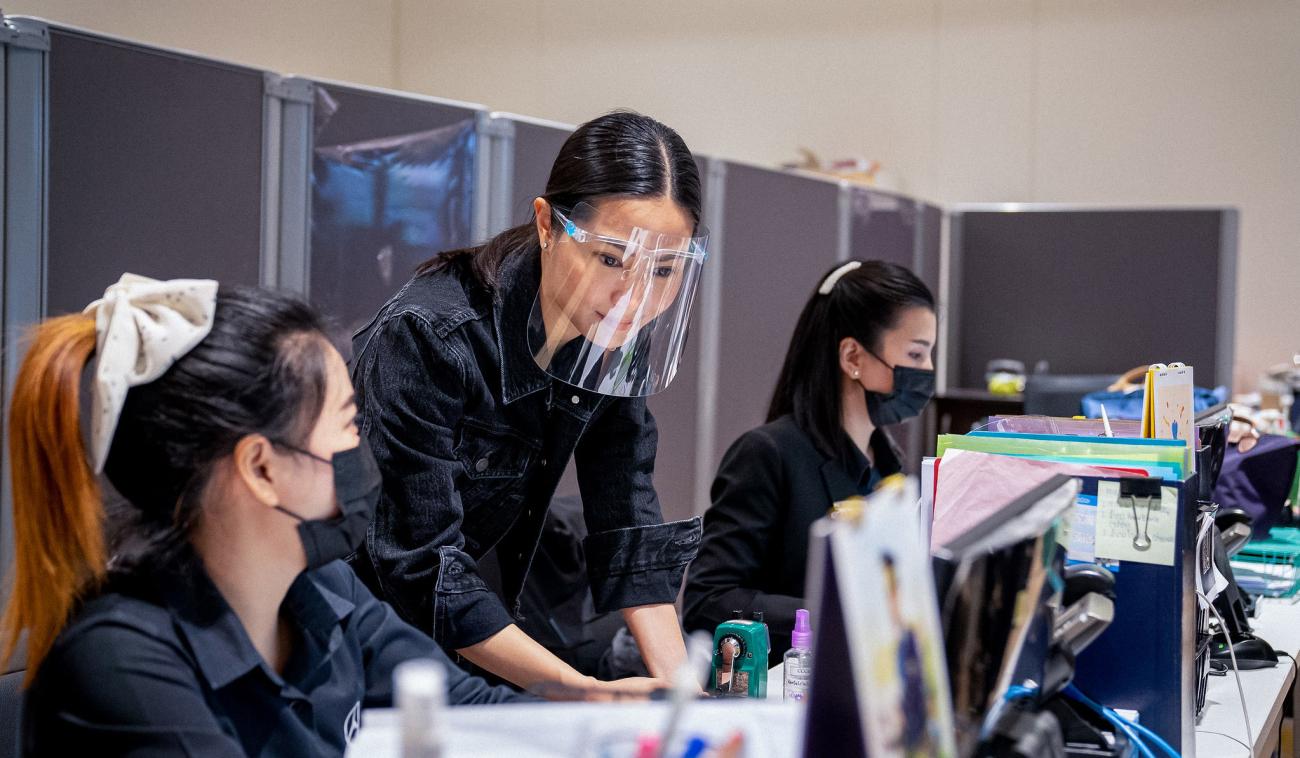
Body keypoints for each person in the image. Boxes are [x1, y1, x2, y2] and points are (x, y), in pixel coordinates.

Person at [1, 275, 524, 757]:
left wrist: (597, 713)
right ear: (261, 467)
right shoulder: (120, 662)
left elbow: (473, 713)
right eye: (348, 423)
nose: (360, 447)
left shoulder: (323, 585)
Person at [351, 111, 709, 694]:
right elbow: (420, 565)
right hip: (366, 638)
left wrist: (680, 690)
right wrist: (581, 691)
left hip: (480, 631)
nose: (635, 298)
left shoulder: (610, 328)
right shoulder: (431, 335)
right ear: (548, 224)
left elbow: (627, 515)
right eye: (612, 259)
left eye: (665, 270)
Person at [683, 259, 937, 663]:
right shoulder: (768, 454)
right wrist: (825, 616)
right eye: (916, 354)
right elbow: (708, 600)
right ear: (853, 356)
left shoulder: (890, 466)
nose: (928, 370)